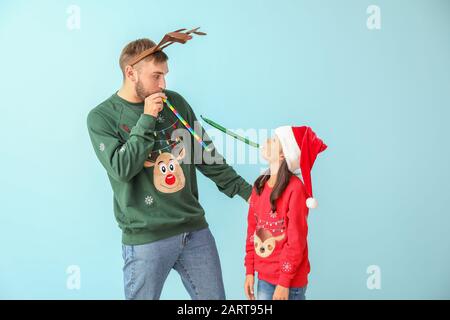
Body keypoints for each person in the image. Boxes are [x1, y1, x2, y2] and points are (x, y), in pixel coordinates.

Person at [86, 30, 252, 300]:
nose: (163, 83)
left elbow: (205, 155)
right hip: (146, 239)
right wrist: (147, 118)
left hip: (194, 231)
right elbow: (122, 168)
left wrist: (249, 192)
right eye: (156, 76)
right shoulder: (101, 118)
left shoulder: (175, 103)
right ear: (131, 73)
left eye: (165, 75)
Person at [244, 126, 326, 300]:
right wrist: (249, 270)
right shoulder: (259, 187)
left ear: (283, 155)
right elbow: (252, 232)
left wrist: (284, 282)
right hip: (264, 278)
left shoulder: (295, 189)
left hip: (289, 283)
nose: (266, 141)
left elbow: (296, 241)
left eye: (273, 140)